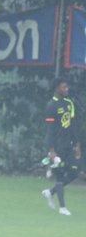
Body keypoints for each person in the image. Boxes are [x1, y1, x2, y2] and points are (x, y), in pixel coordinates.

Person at [42, 77, 79, 216]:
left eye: (67, 86)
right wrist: (51, 150)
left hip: (68, 145)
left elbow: (73, 125)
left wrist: (77, 144)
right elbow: (50, 129)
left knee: (74, 172)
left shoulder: (69, 103)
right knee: (59, 175)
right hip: (56, 147)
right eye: (64, 87)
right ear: (57, 88)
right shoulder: (51, 106)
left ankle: (50, 192)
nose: (67, 89)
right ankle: (62, 207)